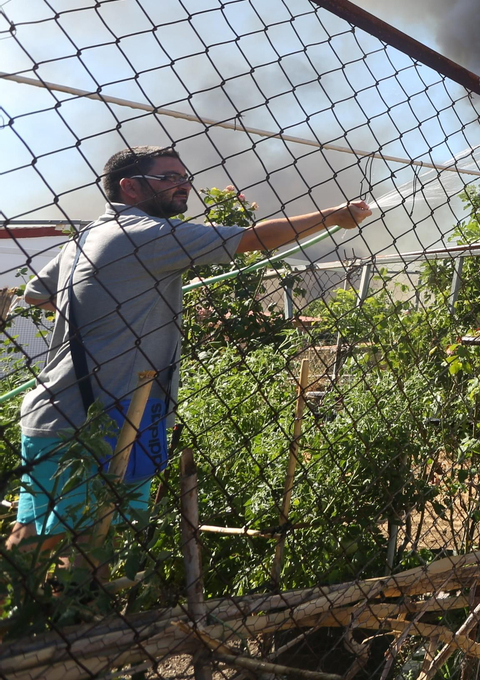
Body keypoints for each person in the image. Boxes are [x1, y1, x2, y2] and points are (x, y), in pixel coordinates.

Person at [6, 145, 371, 552]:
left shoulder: (87, 236)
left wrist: (107, 305)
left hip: (120, 411)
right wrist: (332, 216)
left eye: (186, 178)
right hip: (82, 417)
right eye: (170, 178)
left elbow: (36, 295)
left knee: (93, 541)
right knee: (44, 539)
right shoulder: (141, 234)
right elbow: (254, 237)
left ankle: (79, 615)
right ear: (129, 187)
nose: (185, 186)